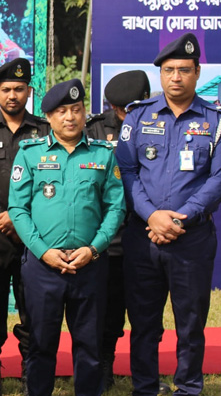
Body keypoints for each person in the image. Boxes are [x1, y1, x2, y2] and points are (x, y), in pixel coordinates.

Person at [116, 33, 221, 396]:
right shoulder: (138, 116)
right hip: (143, 237)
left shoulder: (218, 121)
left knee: (190, 324)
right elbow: (127, 172)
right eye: (169, 70)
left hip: (192, 239)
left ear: (197, 72)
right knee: (143, 324)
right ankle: (145, 388)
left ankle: (188, 388)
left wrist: (179, 219)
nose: (176, 77)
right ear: (161, 74)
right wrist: (152, 216)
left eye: (184, 70)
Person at [9, 79, 125, 396]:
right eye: (62, 111)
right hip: (43, 266)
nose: (70, 117)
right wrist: (43, 251)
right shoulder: (30, 154)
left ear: (85, 112)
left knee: (90, 345)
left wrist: (94, 248)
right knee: (41, 343)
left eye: (76, 109)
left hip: (89, 265)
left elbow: (116, 207)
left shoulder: (103, 154)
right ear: (48, 117)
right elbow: (18, 209)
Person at [0, 58, 50, 396]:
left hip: (36, 236)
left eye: (19, 89)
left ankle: (31, 370)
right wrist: (3, 218)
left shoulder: (45, 132)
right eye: (6, 90)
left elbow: (52, 185)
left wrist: (21, 219)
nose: (13, 95)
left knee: (34, 309)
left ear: (29, 91)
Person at [85, 69, 152, 392]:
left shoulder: (159, 125)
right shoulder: (94, 130)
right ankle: (104, 364)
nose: (126, 114)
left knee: (146, 311)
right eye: (120, 109)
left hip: (147, 233)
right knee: (107, 310)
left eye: (132, 108)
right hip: (108, 238)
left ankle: (147, 372)